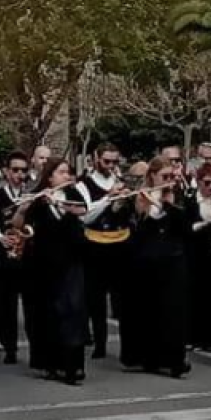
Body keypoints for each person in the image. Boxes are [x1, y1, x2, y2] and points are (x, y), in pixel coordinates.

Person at [14, 158, 89, 384]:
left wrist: (59, 204)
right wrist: (23, 208)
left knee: (73, 313)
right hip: (44, 265)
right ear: (49, 177)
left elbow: (83, 210)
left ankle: (74, 365)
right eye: (62, 172)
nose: (67, 176)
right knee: (48, 315)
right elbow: (19, 225)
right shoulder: (38, 201)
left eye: (68, 172)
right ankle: (51, 363)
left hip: (71, 262)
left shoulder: (73, 194)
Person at [128, 156, 191, 378]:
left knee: (173, 311)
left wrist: (169, 205)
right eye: (165, 177)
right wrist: (149, 207)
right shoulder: (140, 198)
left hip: (173, 260)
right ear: (152, 176)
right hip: (148, 261)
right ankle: (150, 358)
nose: (169, 181)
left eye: (172, 176)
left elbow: (185, 229)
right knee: (150, 309)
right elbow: (138, 232)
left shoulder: (178, 197)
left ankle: (176, 359)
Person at [77, 143, 131, 359]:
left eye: (115, 162)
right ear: (96, 159)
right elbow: (86, 217)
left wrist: (123, 200)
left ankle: (128, 349)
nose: (110, 166)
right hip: (96, 244)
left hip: (120, 243)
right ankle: (100, 344)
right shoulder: (84, 185)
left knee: (124, 299)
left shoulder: (121, 181)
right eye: (106, 161)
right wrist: (109, 198)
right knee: (96, 299)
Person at [0, 152, 31, 363]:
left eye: (23, 170)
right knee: (6, 303)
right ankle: (9, 346)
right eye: (15, 170)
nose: (19, 174)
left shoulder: (31, 195)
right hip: (4, 256)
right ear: (6, 172)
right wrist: (1, 238)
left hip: (27, 256)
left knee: (30, 303)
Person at [184, 162, 211, 350]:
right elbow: (186, 228)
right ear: (198, 181)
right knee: (196, 296)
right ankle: (195, 337)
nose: (210, 187)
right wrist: (204, 224)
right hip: (196, 253)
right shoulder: (191, 201)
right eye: (206, 183)